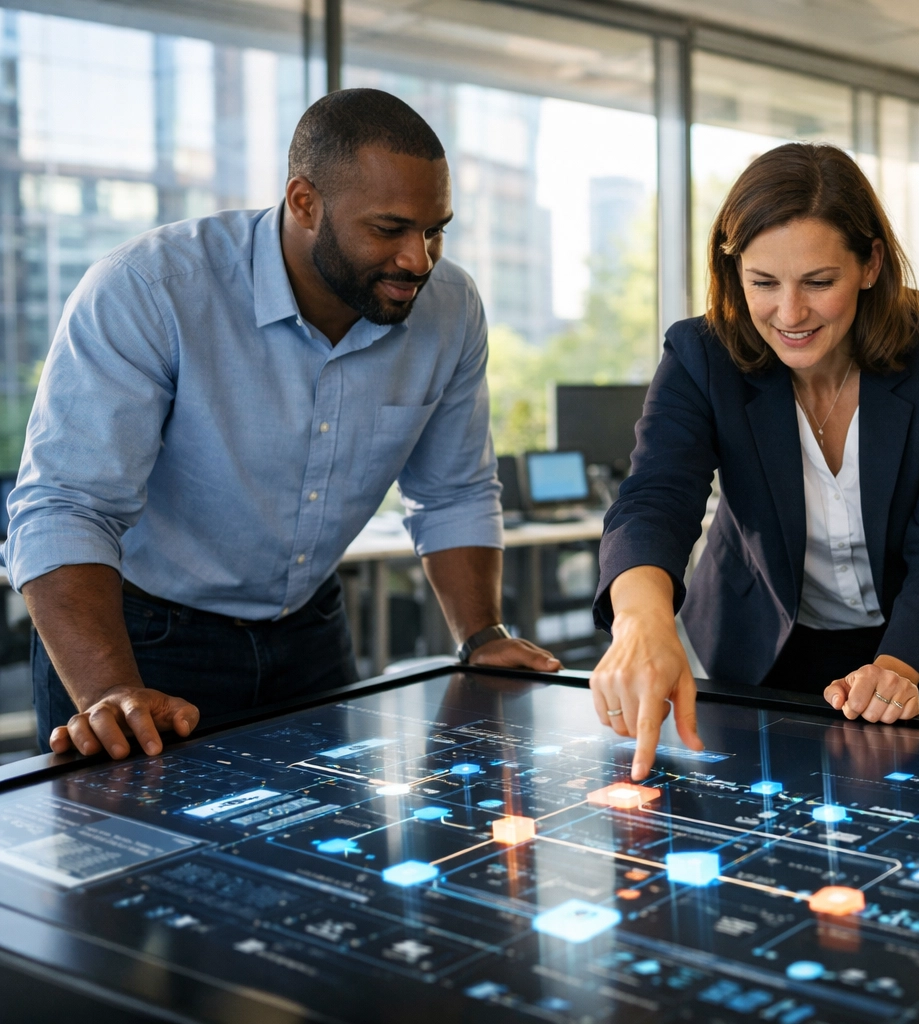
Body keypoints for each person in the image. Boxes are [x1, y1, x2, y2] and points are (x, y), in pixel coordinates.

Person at [8, 88, 559, 763]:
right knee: (142, 866)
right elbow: (66, 506)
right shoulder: (150, 288)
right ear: (303, 202)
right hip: (137, 641)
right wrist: (111, 689)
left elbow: (454, 493)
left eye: (436, 229)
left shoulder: (450, 309)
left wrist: (481, 635)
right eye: (389, 229)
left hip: (312, 634)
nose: (419, 259)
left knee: (333, 862)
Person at [593, 143, 919, 780]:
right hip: (773, 641)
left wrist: (897, 668)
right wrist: (641, 618)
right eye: (763, 283)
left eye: (819, 282)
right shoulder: (701, 355)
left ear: (870, 265)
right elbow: (654, 497)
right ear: (735, 271)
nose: (790, 314)